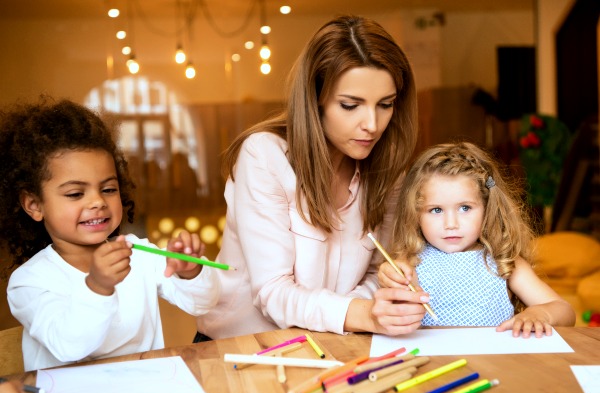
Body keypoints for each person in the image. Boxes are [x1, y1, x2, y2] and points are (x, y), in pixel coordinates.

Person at [195, 15, 426, 341]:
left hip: (329, 342)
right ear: (315, 100)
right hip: (240, 346)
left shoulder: (388, 169)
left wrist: (385, 295)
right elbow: (273, 292)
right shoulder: (264, 156)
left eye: (385, 105)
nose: (372, 124)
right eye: (350, 105)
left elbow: (376, 271)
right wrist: (363, 313)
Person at [0, 97, 220, 371]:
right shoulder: (30, 282)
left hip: (148, 391)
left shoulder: (138, 252)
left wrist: (191, 273)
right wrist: (97, 287)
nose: (97, 202)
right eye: (75, 193)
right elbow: (68, 346)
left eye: (108, 189)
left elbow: (204, 304)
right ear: (34, 205)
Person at [378, 142, 576, 338]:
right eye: (436, 210)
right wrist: (395, 283)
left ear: (487, 207)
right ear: (415, 214)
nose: (451, 223)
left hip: (493, 364)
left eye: (465, 208)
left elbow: (565, 311)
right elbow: (388, 314)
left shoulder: (504, 263)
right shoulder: (409, 263)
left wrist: (540, 313)